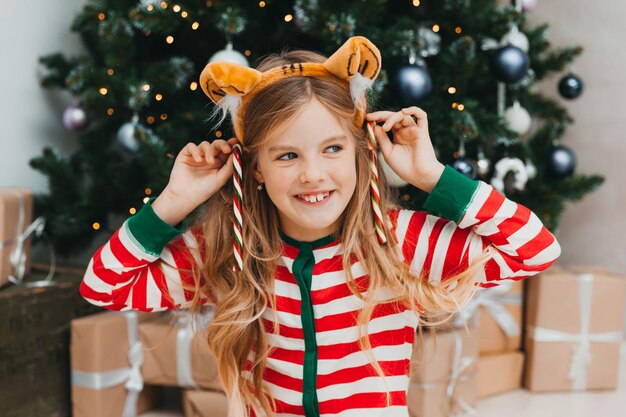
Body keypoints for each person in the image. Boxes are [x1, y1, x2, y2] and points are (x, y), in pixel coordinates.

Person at [80, 36, 560, 417]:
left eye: (332, 149)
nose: (312, 174)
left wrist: (432, 177)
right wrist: (172, 203)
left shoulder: (397, 242)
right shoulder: (229, 250)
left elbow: (536, 249)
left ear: (360, 153)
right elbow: (104, 288)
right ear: (257, 169)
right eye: (287, 155)